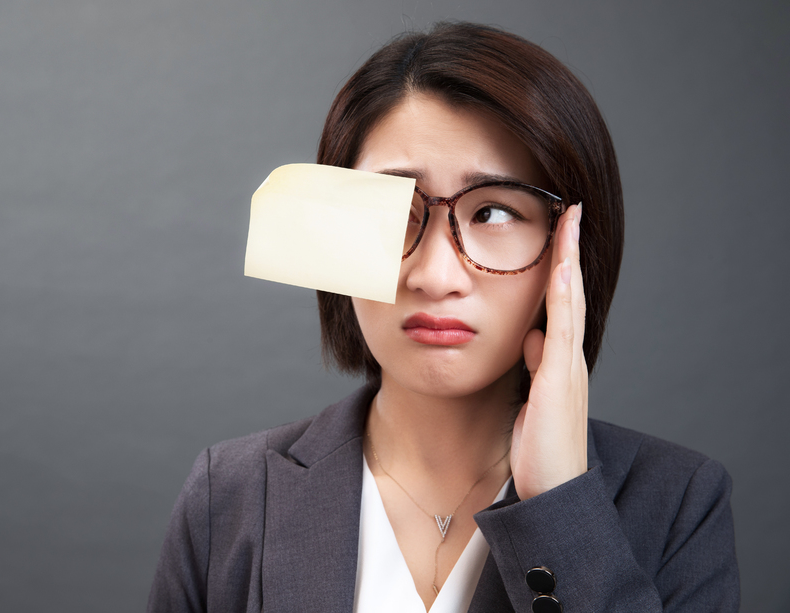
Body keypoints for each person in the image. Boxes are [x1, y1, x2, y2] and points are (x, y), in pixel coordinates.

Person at [147, 22, 739, 612]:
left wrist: (560, 506)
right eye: (396, 211)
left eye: (496, 213)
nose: (434, 275)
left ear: (574, 245)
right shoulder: (229, 494)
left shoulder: (679, 504)